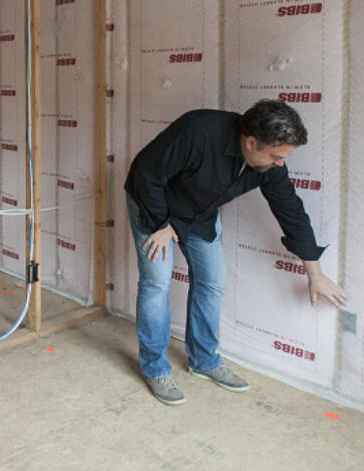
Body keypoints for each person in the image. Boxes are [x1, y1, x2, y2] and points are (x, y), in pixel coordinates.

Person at [124, 99, 347, 405]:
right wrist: (162, 223)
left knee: (212, 280)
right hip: (154, 205)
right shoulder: (197, 130)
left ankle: (204, 360)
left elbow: (290, 210)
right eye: (276, 156)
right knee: (157, 283)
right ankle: (156, 368)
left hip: (199, 214)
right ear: (251, 142)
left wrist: (315, 272)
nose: (281, 163)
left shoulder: (269, 165)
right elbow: (146, 175)